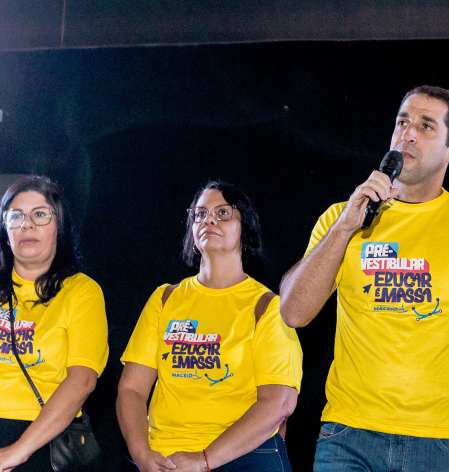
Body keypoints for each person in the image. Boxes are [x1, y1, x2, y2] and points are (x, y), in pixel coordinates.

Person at [279, 85, 449, 471]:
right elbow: (293, 313)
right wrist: (343, 229)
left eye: (425, 126)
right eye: (402, 122)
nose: (408, 133)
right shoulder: (345, 217)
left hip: (440, 442)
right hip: (348, 435)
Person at [117, 181, 302, 472]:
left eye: (223, 213)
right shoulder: (165, 299)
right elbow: (132, 389)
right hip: (167, 459)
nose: (209, 219)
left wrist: (203, 460)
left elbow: (279, 403)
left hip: (242, 457)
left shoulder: (267, 307)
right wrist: (141, 453)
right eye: (200, 214)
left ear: (245, 230)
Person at [0, 176, 108, 471]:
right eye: (16, 216)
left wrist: (17, 451)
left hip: (42, 439)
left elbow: (83, 380)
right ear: (5, 229)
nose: (27, 225)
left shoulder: (81, 291)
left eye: (40, 214)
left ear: (59, 226)